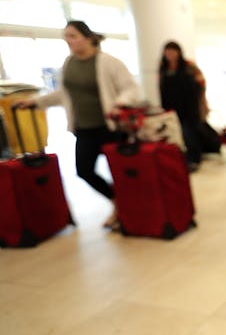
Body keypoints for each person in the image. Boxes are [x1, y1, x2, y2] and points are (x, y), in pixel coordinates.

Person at [13, 20, 142, 229]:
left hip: (109, 127)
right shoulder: (69, 63)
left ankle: (127, 211)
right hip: (83, 127)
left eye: (72, 36)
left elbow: (131, 89)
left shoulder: (108, 62)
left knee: (119, 171)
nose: (68, 40)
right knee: (84, 170)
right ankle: (117, 202)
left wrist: (120, 103)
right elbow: (64, 93)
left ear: (88, 37)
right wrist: (36, 102)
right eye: (66, 36)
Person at [158, 41, 207, 172]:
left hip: (189, 106)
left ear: (178, 52)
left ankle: (194, 159)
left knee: (189, 132)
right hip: (172, 107)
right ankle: (184, 158)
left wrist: (202, 102)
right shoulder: (163, 68)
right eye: (167, 51)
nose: (170, 54)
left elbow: (201, 83)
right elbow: (161, 88)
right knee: (177, 133)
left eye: (173, 51)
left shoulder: (188, 66)